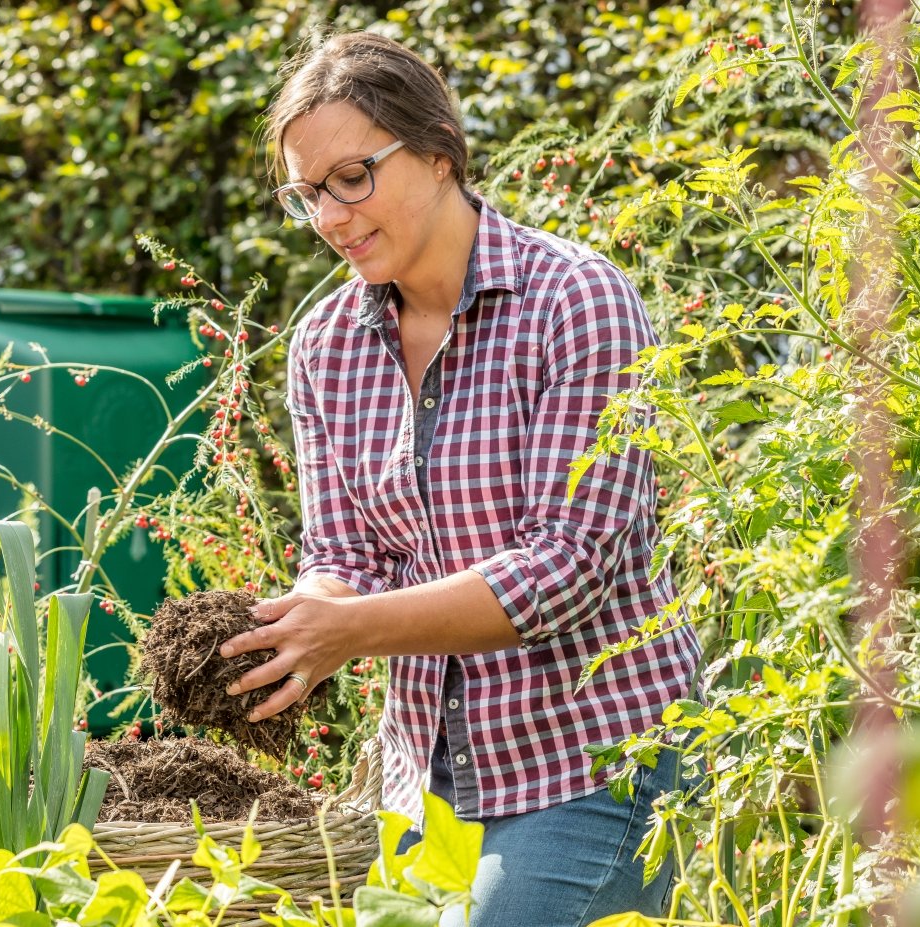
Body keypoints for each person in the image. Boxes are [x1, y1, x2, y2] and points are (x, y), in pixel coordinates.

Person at [217, 30, 701, 925]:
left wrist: (350, 629)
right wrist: (298, 625)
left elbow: (572, 565)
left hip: (594, 757)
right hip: (430, 777)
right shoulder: (325, 346)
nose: (329, 216)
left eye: (351, 177)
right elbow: (343, 550)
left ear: (439, 151)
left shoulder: (576, 302)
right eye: (306, 195)